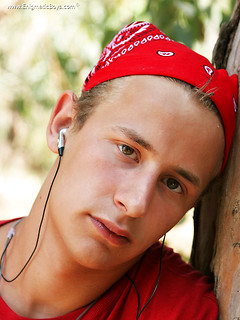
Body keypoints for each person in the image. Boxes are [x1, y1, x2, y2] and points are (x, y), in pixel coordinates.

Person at [0, 21, 238, 320]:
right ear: (63, 124)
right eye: (128, 150)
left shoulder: (180, 312)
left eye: (173, 183)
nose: (136, 204)